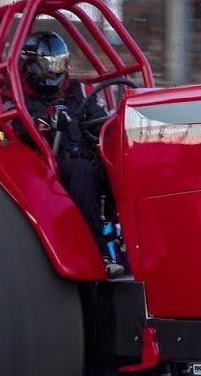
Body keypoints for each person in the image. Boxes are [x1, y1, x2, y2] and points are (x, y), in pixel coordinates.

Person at [16, 30, 126, 278]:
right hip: (48, 164)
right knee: (82, 171)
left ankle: (137, 239)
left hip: (86, 155)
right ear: (33, 65)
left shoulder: (78, 91)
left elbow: (101, 121)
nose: (57, 71)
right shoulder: (20, 97)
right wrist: (46, 122)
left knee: (123, 162)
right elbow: (19, 126)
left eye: (61, 64)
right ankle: (99, 253)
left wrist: (112, 127)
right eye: (51, 65)